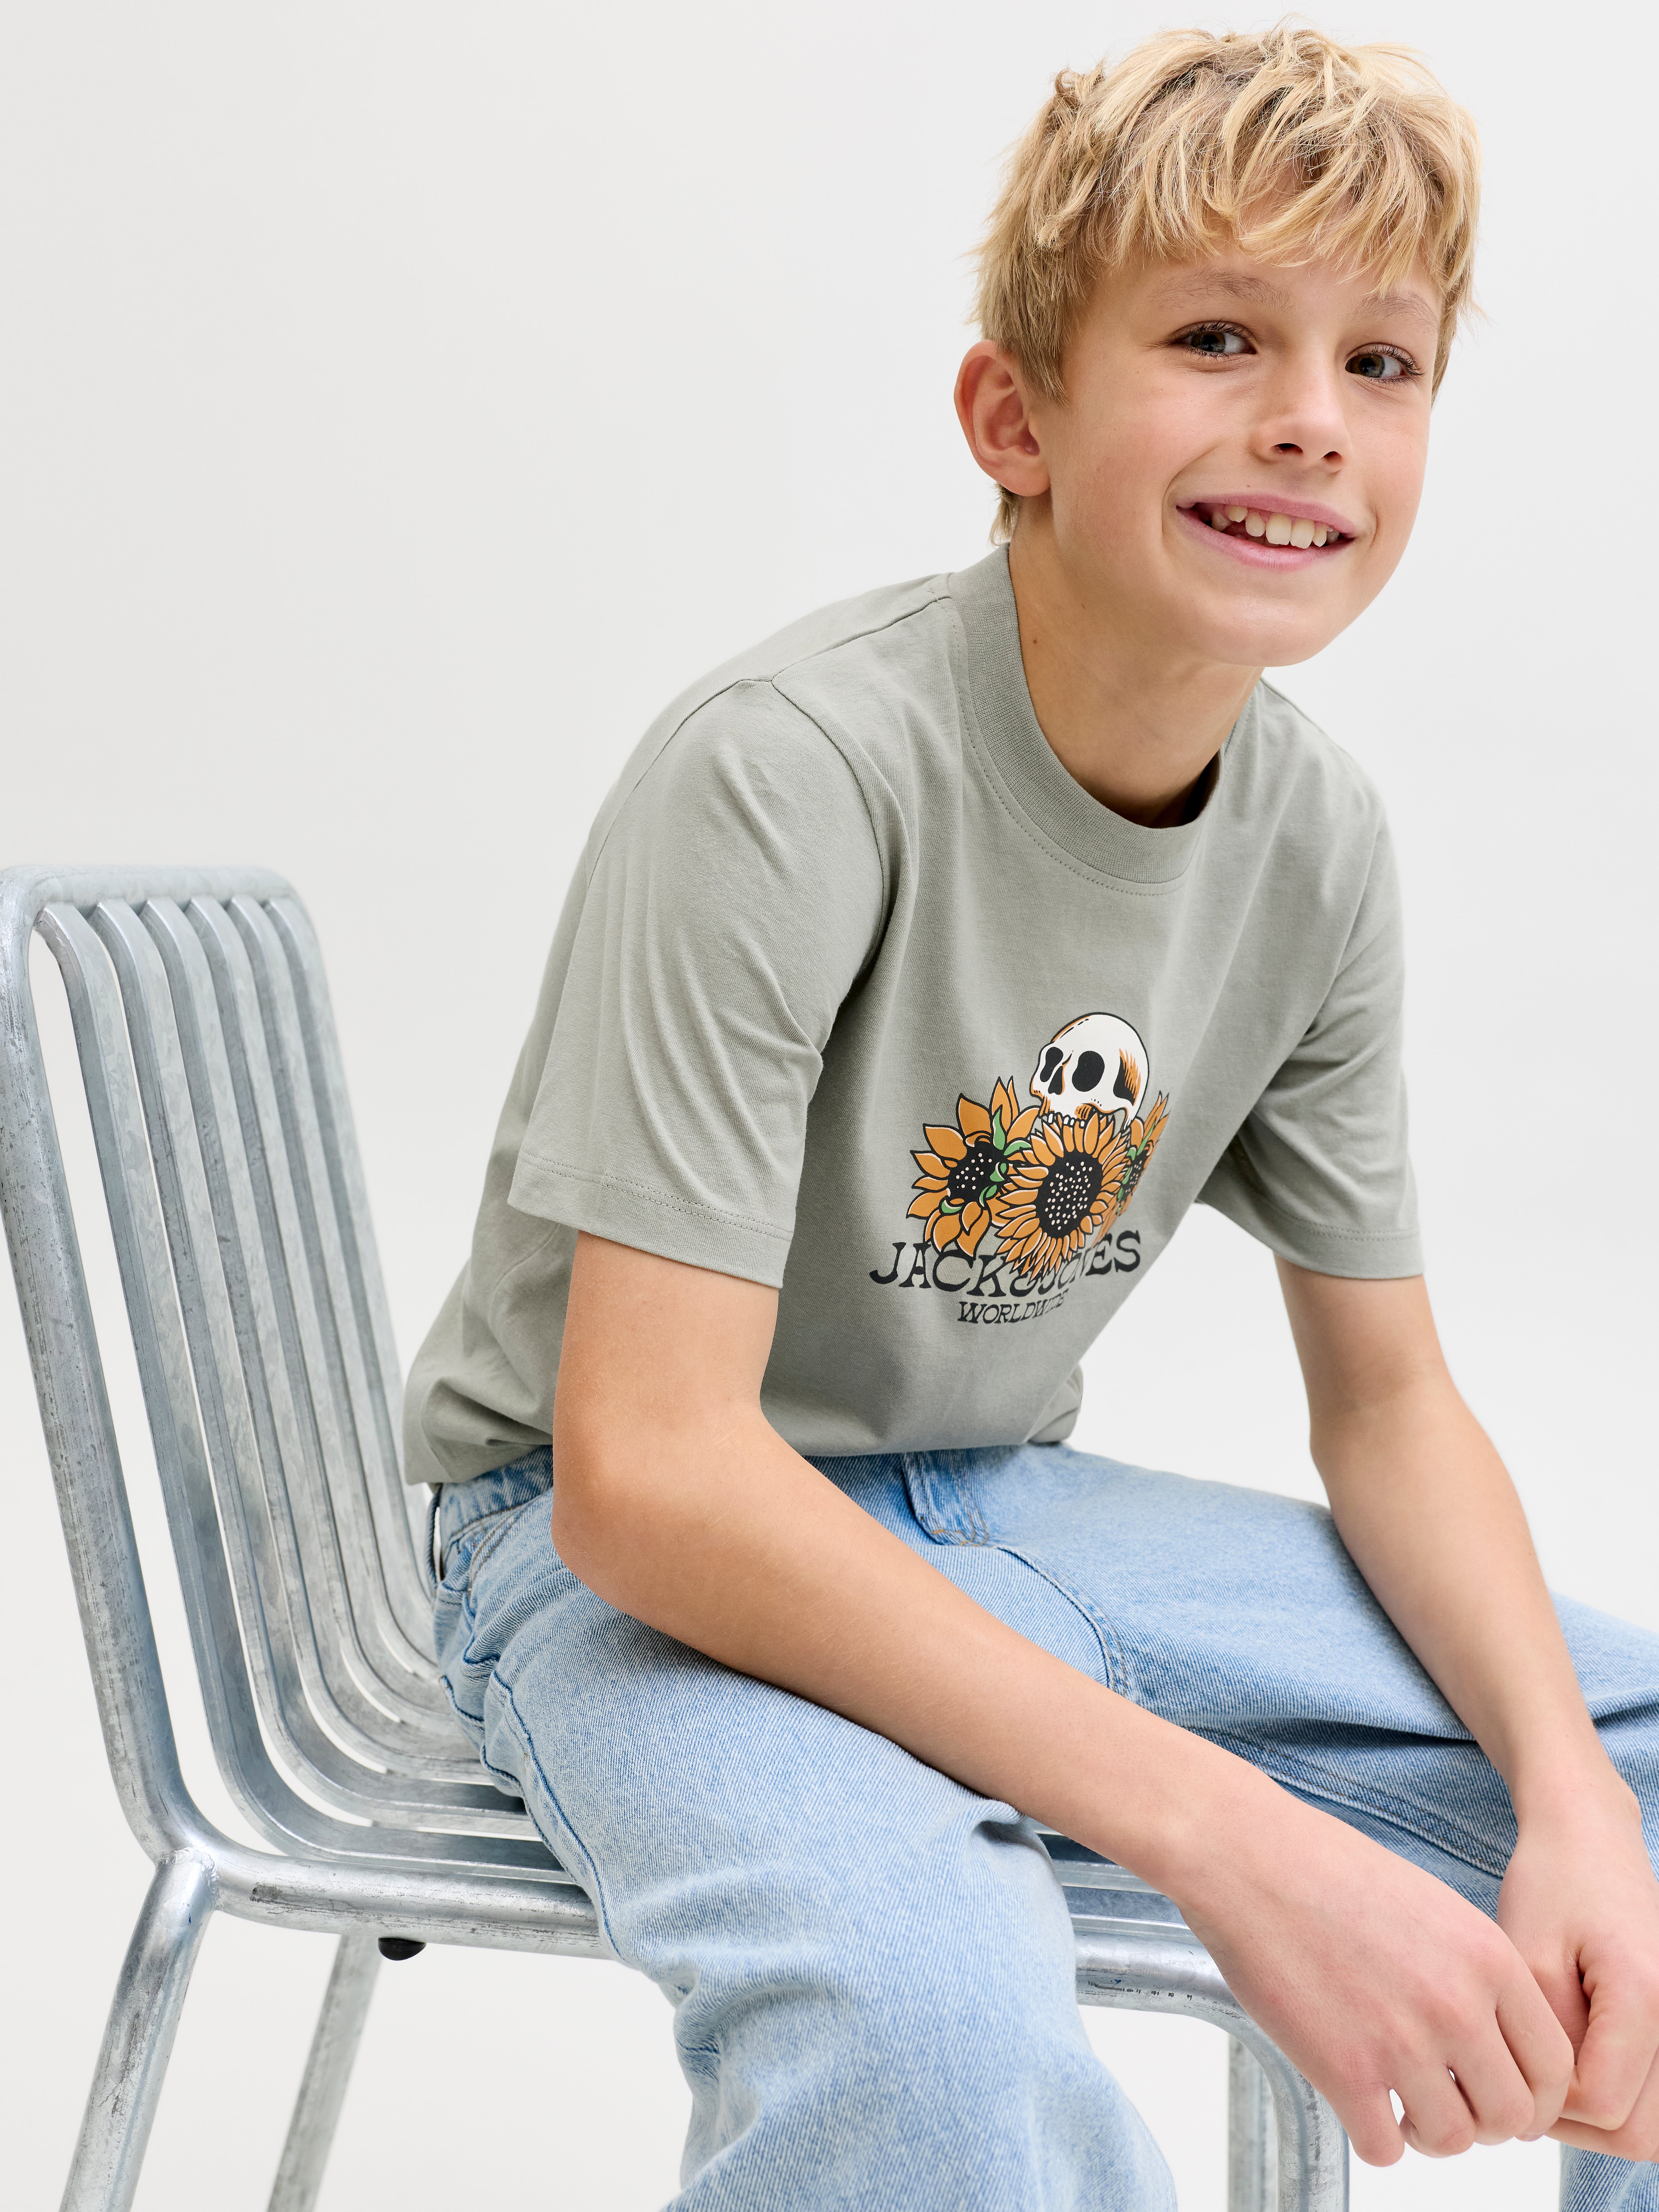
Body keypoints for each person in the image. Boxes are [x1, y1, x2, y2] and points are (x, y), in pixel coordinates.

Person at [405, 23, 1659, 2206]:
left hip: (989, 1499)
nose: (1308, 415)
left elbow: (1387, 1402)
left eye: (1379, 361)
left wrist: (1568, 1799)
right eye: (1216, 337)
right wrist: (1228, 1831)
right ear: (1013, 417)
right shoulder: (790, 775)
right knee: (927, 2029)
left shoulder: (1313, 841)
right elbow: (646, 1470)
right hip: (617, 1542)